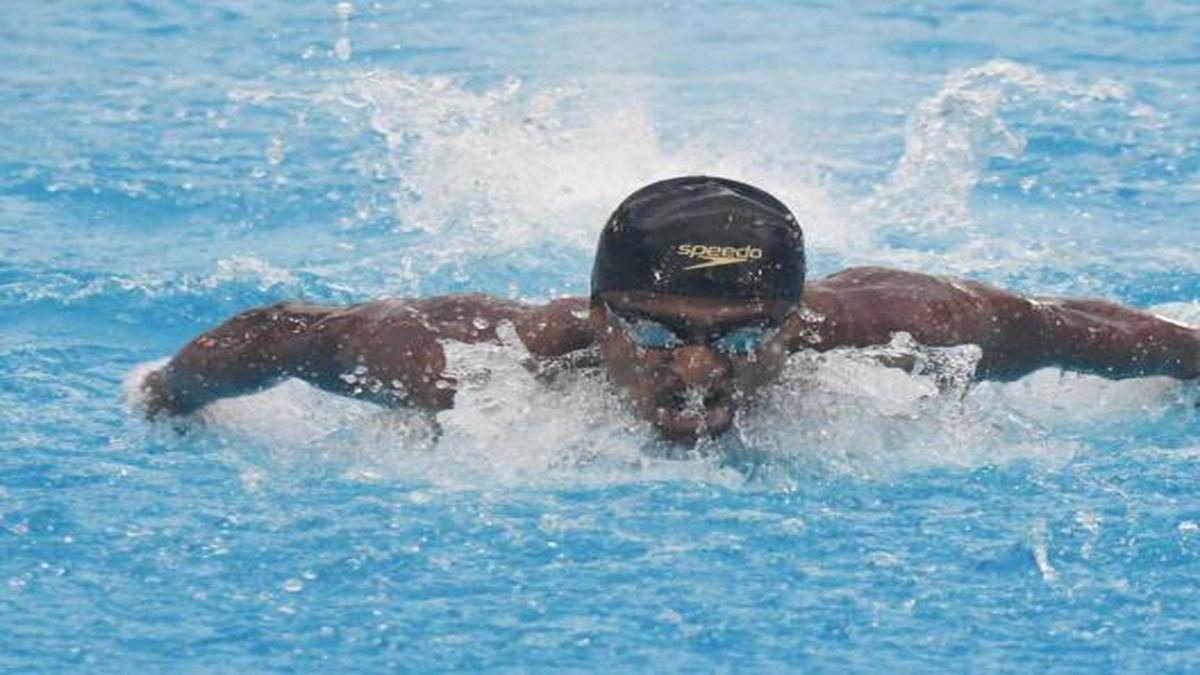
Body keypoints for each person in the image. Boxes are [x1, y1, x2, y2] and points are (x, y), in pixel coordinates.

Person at [140, 176, 1199, 442]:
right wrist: (164, 398)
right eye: (655, 333)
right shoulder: (468, 359)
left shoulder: (912, 326)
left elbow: (1088, 332)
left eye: (742, 337)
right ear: (599, 314)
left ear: (795, 323)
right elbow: (281, 332)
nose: (698, 372)